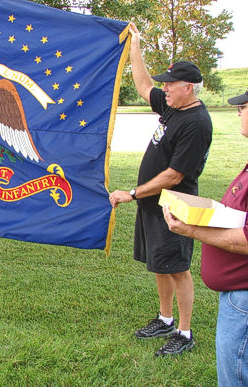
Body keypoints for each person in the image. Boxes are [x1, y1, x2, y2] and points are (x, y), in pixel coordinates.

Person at [109, 24, 212, 356]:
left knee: (178, 267)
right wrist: (135, 46)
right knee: (160, 263)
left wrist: (134, 193)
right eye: (164, 84)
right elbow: (142, 84)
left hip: (174, 205)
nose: (164, 88)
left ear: (188, 88)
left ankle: (184, 331)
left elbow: (173, 175)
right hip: (154, 204)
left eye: (170, 84)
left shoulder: (196, 123)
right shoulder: (173, 106)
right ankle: (165, 318)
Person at [163, 89, 248, 384]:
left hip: (244, 299)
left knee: (235, 376)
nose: (239, 112)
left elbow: (246, 240)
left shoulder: (196, 122)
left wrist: (190, 229)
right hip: (237, 295)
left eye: (245, 107)